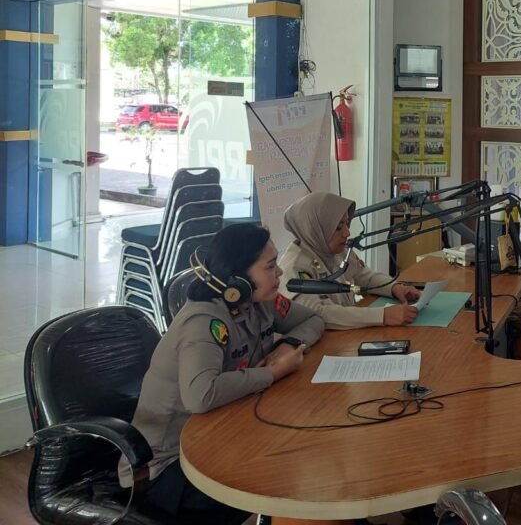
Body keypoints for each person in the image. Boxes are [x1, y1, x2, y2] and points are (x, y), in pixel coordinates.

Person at [118, 223, 325, 522]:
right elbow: (200, 396)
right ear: (238, 278)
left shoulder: (258, 302)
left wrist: (288, 345)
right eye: (270, 266)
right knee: (289, 470)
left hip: (224, 432)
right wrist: (273, 373)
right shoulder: (203, 321)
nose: (280, 272)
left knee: (304, 447)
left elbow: (314, 320)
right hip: (167, 468)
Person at [279, 191, 422, 328]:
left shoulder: (338, 250)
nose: (347, 233)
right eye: (338, 227)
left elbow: (365, 277)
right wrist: (383, 316)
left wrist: (394, 288)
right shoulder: (294, 268)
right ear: (314, 229)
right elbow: (319, 313)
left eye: (347, 223)